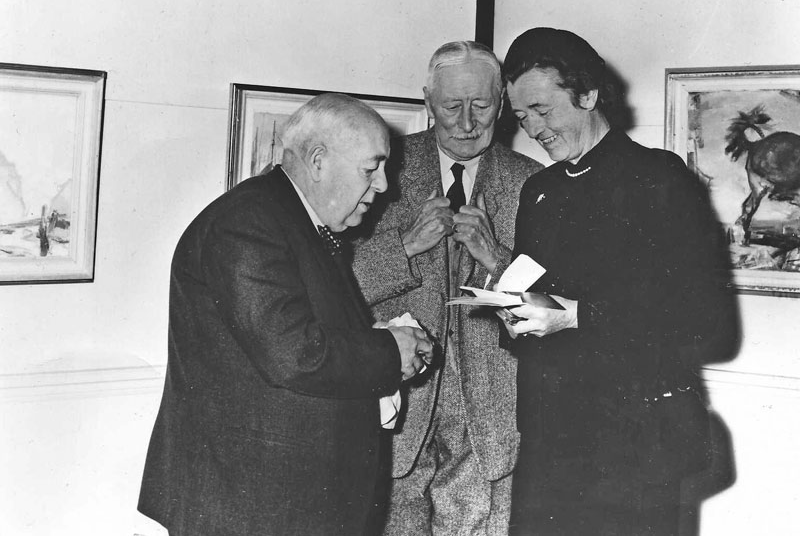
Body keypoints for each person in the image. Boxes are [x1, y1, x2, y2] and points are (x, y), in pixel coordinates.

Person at [137, 93, 435, 536]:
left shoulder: (291, 220)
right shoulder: (246, 222)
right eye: (371, 169)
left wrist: (380, 340)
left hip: (282, 499)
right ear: (318, 161)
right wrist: (390, 350)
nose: (383, 186)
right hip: (250, 507)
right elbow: (295, 354)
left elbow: (304, 333)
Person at [499, 27, 739, 535]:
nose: (533, 129)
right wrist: (513, 314)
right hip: (550, 444)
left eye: (542, 110)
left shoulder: (659, 179)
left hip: (634, 447)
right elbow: (533, 304)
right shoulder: (539, 192)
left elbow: (709, 323)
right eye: (521, 117)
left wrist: (577, 316)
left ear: (588, 94)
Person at [349, 41, 542, 535]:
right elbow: (332, 288)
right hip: (393, 415)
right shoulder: (379, 170)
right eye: (452, 106)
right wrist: (405, 246)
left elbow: (555, 307)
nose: (467, 122)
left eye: (481, 105)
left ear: (502, 103)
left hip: (489, 427)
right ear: (427, 102)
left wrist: (498, 259)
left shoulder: (534, 183)